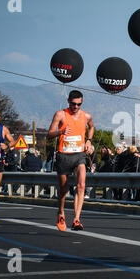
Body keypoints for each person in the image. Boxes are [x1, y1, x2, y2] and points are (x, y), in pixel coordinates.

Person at [47, 90, 95, 231]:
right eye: (73, 104)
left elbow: (91, 127)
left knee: (81, 185)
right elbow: (49, 134)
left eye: (79, 104)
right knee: (63, 188)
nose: (75, 107)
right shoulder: (60, 114)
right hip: (63, 156)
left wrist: (89, 141)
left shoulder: (86, 116)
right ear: (68, 101)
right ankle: (61, 212)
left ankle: (76, 219)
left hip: (79, 155)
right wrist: (61, 132)